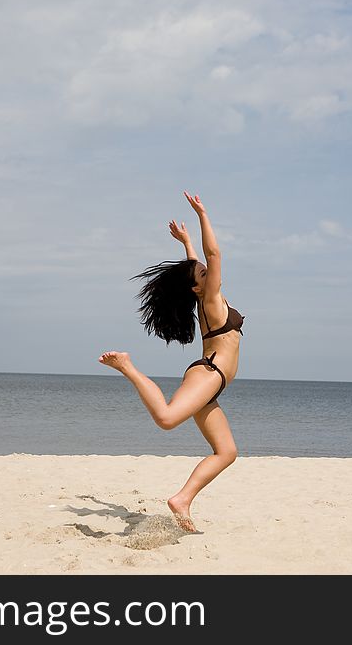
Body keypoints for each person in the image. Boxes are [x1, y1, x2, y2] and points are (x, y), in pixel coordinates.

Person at [98, 191, 244, 532]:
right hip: (209, 375)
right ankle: (128, 367)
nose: (211, 272)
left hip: (213, 383)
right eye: (205, 274)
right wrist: (202, 215)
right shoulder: (209, 299)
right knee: (166, 419)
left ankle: (182, 499)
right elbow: (214, 253)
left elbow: (197, 266)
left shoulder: (208, 295)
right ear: (199, 288)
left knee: (227, 452)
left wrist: (187, 243)